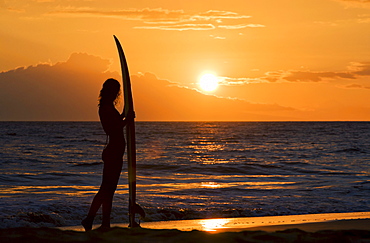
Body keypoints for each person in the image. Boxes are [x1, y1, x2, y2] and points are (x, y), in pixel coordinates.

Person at [82, 78, 132, 231]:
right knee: (106, 189)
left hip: (116, 152)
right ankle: (90, 218)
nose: (116, 93)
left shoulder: (109, 106)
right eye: (114, 90)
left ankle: (105, 223)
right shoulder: (105, 107)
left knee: (109, 190)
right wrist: (126, 120)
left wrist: (124, 115)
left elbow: (117, 122)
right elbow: (112, 129)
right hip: (112, 152)